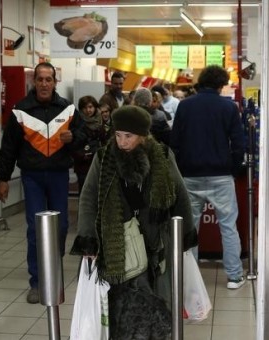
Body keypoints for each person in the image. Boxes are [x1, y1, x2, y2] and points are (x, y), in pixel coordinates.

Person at [69, 105, 198, 340]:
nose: (122, 142)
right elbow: (88, 197)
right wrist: (88, 239)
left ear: (143, 135)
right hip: (117, 242)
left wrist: (185, 234)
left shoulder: (162, 155)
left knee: (156, 300)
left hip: (155, 239)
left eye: (128, 136)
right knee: (122, 303)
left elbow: (180, 193)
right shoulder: (104, 158)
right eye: (117, 135)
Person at [0, 62, 87, 304]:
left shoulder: (67, 109)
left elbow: (84, 136)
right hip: (32, 177)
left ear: (55, 82)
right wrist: (3, 178)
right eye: (40, 79)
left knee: (61, 227)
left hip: (58, 176)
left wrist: (73, 137)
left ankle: (53, 273)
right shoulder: (21, 110)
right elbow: (8, 148)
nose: (44, 84)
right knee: (35, 230)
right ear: (34, 82)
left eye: (49, 79)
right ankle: (37, 281)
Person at [169, 65, 247, 290]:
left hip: (190, 175)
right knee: (228, 226)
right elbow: (238, 143)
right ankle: (233, 276)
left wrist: (181, 168)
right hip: (221, 175)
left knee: (190, 228)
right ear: (221, 84)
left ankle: (190, 278)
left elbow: (175, 142)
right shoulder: (228, 107)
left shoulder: (184, 106)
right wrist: (232, 168)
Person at [72, 95, 109, 191]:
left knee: (97, 191)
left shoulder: (100, 121)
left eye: (90, 107)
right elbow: (73, 143)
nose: (88, 110)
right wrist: (82, 154)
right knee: (84, 190)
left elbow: (104, 140)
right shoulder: (76, 121)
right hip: (82, 162)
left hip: (97, 161)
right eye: (85, 108)